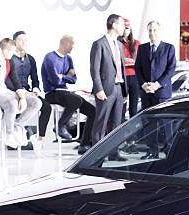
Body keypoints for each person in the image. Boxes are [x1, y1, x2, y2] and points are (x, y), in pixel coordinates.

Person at [0, 38, 42, 149]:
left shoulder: (9, 62)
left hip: (5, 91)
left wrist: (22, 97)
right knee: (12, 103)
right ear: (1, 50)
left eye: (12, 51)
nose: (12, 54)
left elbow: (15, 79)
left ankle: (17, 125)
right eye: (9, 51)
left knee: (36, 102)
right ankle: (9, 134)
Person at [41, 35, 95, 153]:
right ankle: (61, 125)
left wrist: (62, 77)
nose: (73, 46)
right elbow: (54, 80)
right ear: (63, 43)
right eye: (71, 44)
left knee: (93, 111)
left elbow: (74, 79)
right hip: (52, 93)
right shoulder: (50, 58)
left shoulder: (68, 59)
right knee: (76, 100)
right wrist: (67, 76)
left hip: (65, 92)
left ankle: (84, 144)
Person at [134, 20, 176, 159]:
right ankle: (152, 150)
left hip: (162, 92)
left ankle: (171, 151)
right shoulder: (142, 48)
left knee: (166, 122)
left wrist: (157, 84)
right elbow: (138, 68)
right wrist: (143, 84)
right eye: (150, 30)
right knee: (149, 122)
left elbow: (170, 70)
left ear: (159, 31)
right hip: (146, 92)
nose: (152, 33)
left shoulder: (169, 48)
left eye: (154, 30)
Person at [89, 13, 127, 159]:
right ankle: (96, 155)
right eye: (122, 24)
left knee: (117, 123)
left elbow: (121, 68)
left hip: (119, 87)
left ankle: (113, 153)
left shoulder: (119, 45)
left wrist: (125, 91)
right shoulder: (99, 44)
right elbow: (94, 69)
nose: (124, 27)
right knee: (101, 122)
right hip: (105, 89)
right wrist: (98, 89)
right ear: (114, 25)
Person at [11, 30, 52, 149]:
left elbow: (35, 79)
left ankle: (40, 138)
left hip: (28, 91)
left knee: (46, 107)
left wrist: (36, 88)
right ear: (14, 42)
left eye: (26, 40)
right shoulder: (10, 58)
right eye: (20, 39)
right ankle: (16, 128)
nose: (24, 42)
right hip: (14, 91)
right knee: (17, 107)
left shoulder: (31, 59)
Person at [121, 18, 140, 121]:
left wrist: (132, 61)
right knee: (121, 108)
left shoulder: (136, 43)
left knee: (133, 108)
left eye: (127, 28)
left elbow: (139, 61)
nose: (126, 30)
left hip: (134, 77)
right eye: (124, 28)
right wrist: (125, 61)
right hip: (122, 77)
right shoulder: (117, 43)